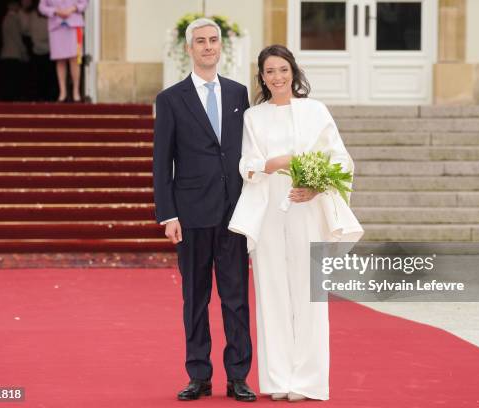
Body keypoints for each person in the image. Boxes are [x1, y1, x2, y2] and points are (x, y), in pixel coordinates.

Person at [228, 45, 364, 402]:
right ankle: (277, 380)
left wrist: (317, 186)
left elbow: (341, 161)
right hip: (270, 211)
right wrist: (274, 164)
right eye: (269, 71)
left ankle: (308, 381)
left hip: (308, 211)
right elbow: (247, 164)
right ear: (261, 77)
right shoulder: (253, 117)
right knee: (271, 295)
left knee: (309, 298)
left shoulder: (316, 111)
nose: (277, 77)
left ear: (294, 72)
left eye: (283, 70)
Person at [153, 18, 256, 402]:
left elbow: (247, 151)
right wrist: (168, 214)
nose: (208, 46)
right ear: (189, 48)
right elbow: (162, 162)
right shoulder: (170, 99)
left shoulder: (238, 93)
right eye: (201, 41)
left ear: (219, 46)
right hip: (191, 215)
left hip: (234, 214)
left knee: (236, 299)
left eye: (213, 40)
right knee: (195, 300)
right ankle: (199, 375)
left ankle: (238, 376)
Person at [38, 0, 88, 102]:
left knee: (75, 59)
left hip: (74, 25)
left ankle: (76, 92)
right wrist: (55, 11)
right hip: (56, 26)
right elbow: (41, 7)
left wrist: (73, 8)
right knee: (60, 60)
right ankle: (62, 93)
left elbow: (84, 3)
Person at [0, 0, 29, 101]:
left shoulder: (7, 18)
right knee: (13, 80)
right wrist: (24, 52)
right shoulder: (12, 19)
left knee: (10, 80)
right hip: (13, 54)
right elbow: (17, 38)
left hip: (8, 54)